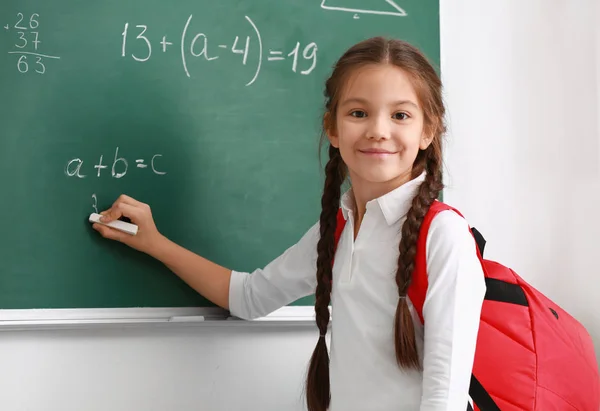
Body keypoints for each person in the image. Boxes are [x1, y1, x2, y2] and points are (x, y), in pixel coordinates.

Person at [93, 36, 486, 411]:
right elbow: (249, 297)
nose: (378, 130)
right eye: (358, 112)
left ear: (428, 130)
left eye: (400, 115)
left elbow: (444, 397)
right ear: (332, 128)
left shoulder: (443, 236)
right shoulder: (338, 229)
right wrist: (155, 243)